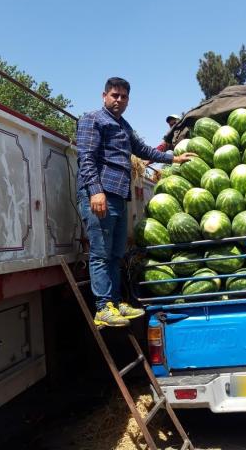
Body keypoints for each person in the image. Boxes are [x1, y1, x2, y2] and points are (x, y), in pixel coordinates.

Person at [77, 77, 195, 327]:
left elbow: (143, 150)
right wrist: (95, 191)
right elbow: (86, 158)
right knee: (100, 253)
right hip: (100, 194)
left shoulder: (124, 126)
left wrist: (173, 158)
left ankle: (116, 301)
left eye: (123, 97)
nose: (118, 100)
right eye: (114, 95)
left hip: (119, 195)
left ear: (128, 100)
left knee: (116, 252)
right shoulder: (93, 119)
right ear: (104, 96)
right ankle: (102, 308)